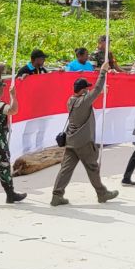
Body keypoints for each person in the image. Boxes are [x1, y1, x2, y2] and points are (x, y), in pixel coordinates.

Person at [50, 63, 119, 206]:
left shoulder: (71, 100)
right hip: (83, 142)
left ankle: (57, 195)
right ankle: (102, 193)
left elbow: (91, 93)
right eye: (86, 88)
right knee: (92, 168)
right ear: (82, 90)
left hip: (71, 140)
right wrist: (103, 72)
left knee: (65, 170)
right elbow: (97, 89)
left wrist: (95, 92)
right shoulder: (83, 101)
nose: (88, 89)